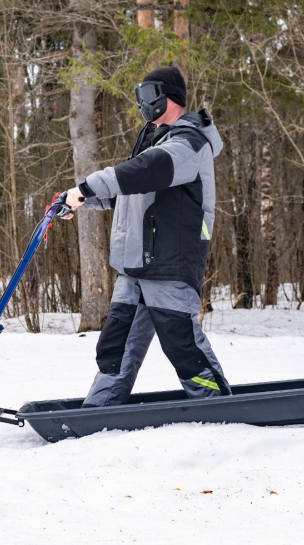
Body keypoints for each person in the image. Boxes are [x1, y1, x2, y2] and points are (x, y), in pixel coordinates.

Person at [63, 66, 231, 406]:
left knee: (181, 343)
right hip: (135, 265)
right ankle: (98, 411)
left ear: (166, 96)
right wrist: (82, 200)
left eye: (148, 93)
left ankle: (219, 409)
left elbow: (148, 171)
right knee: (115, 346)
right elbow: (129, 191)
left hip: (168, 261)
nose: (142, 102)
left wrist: (85, 187)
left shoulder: (188, 142)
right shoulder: (156, 139)